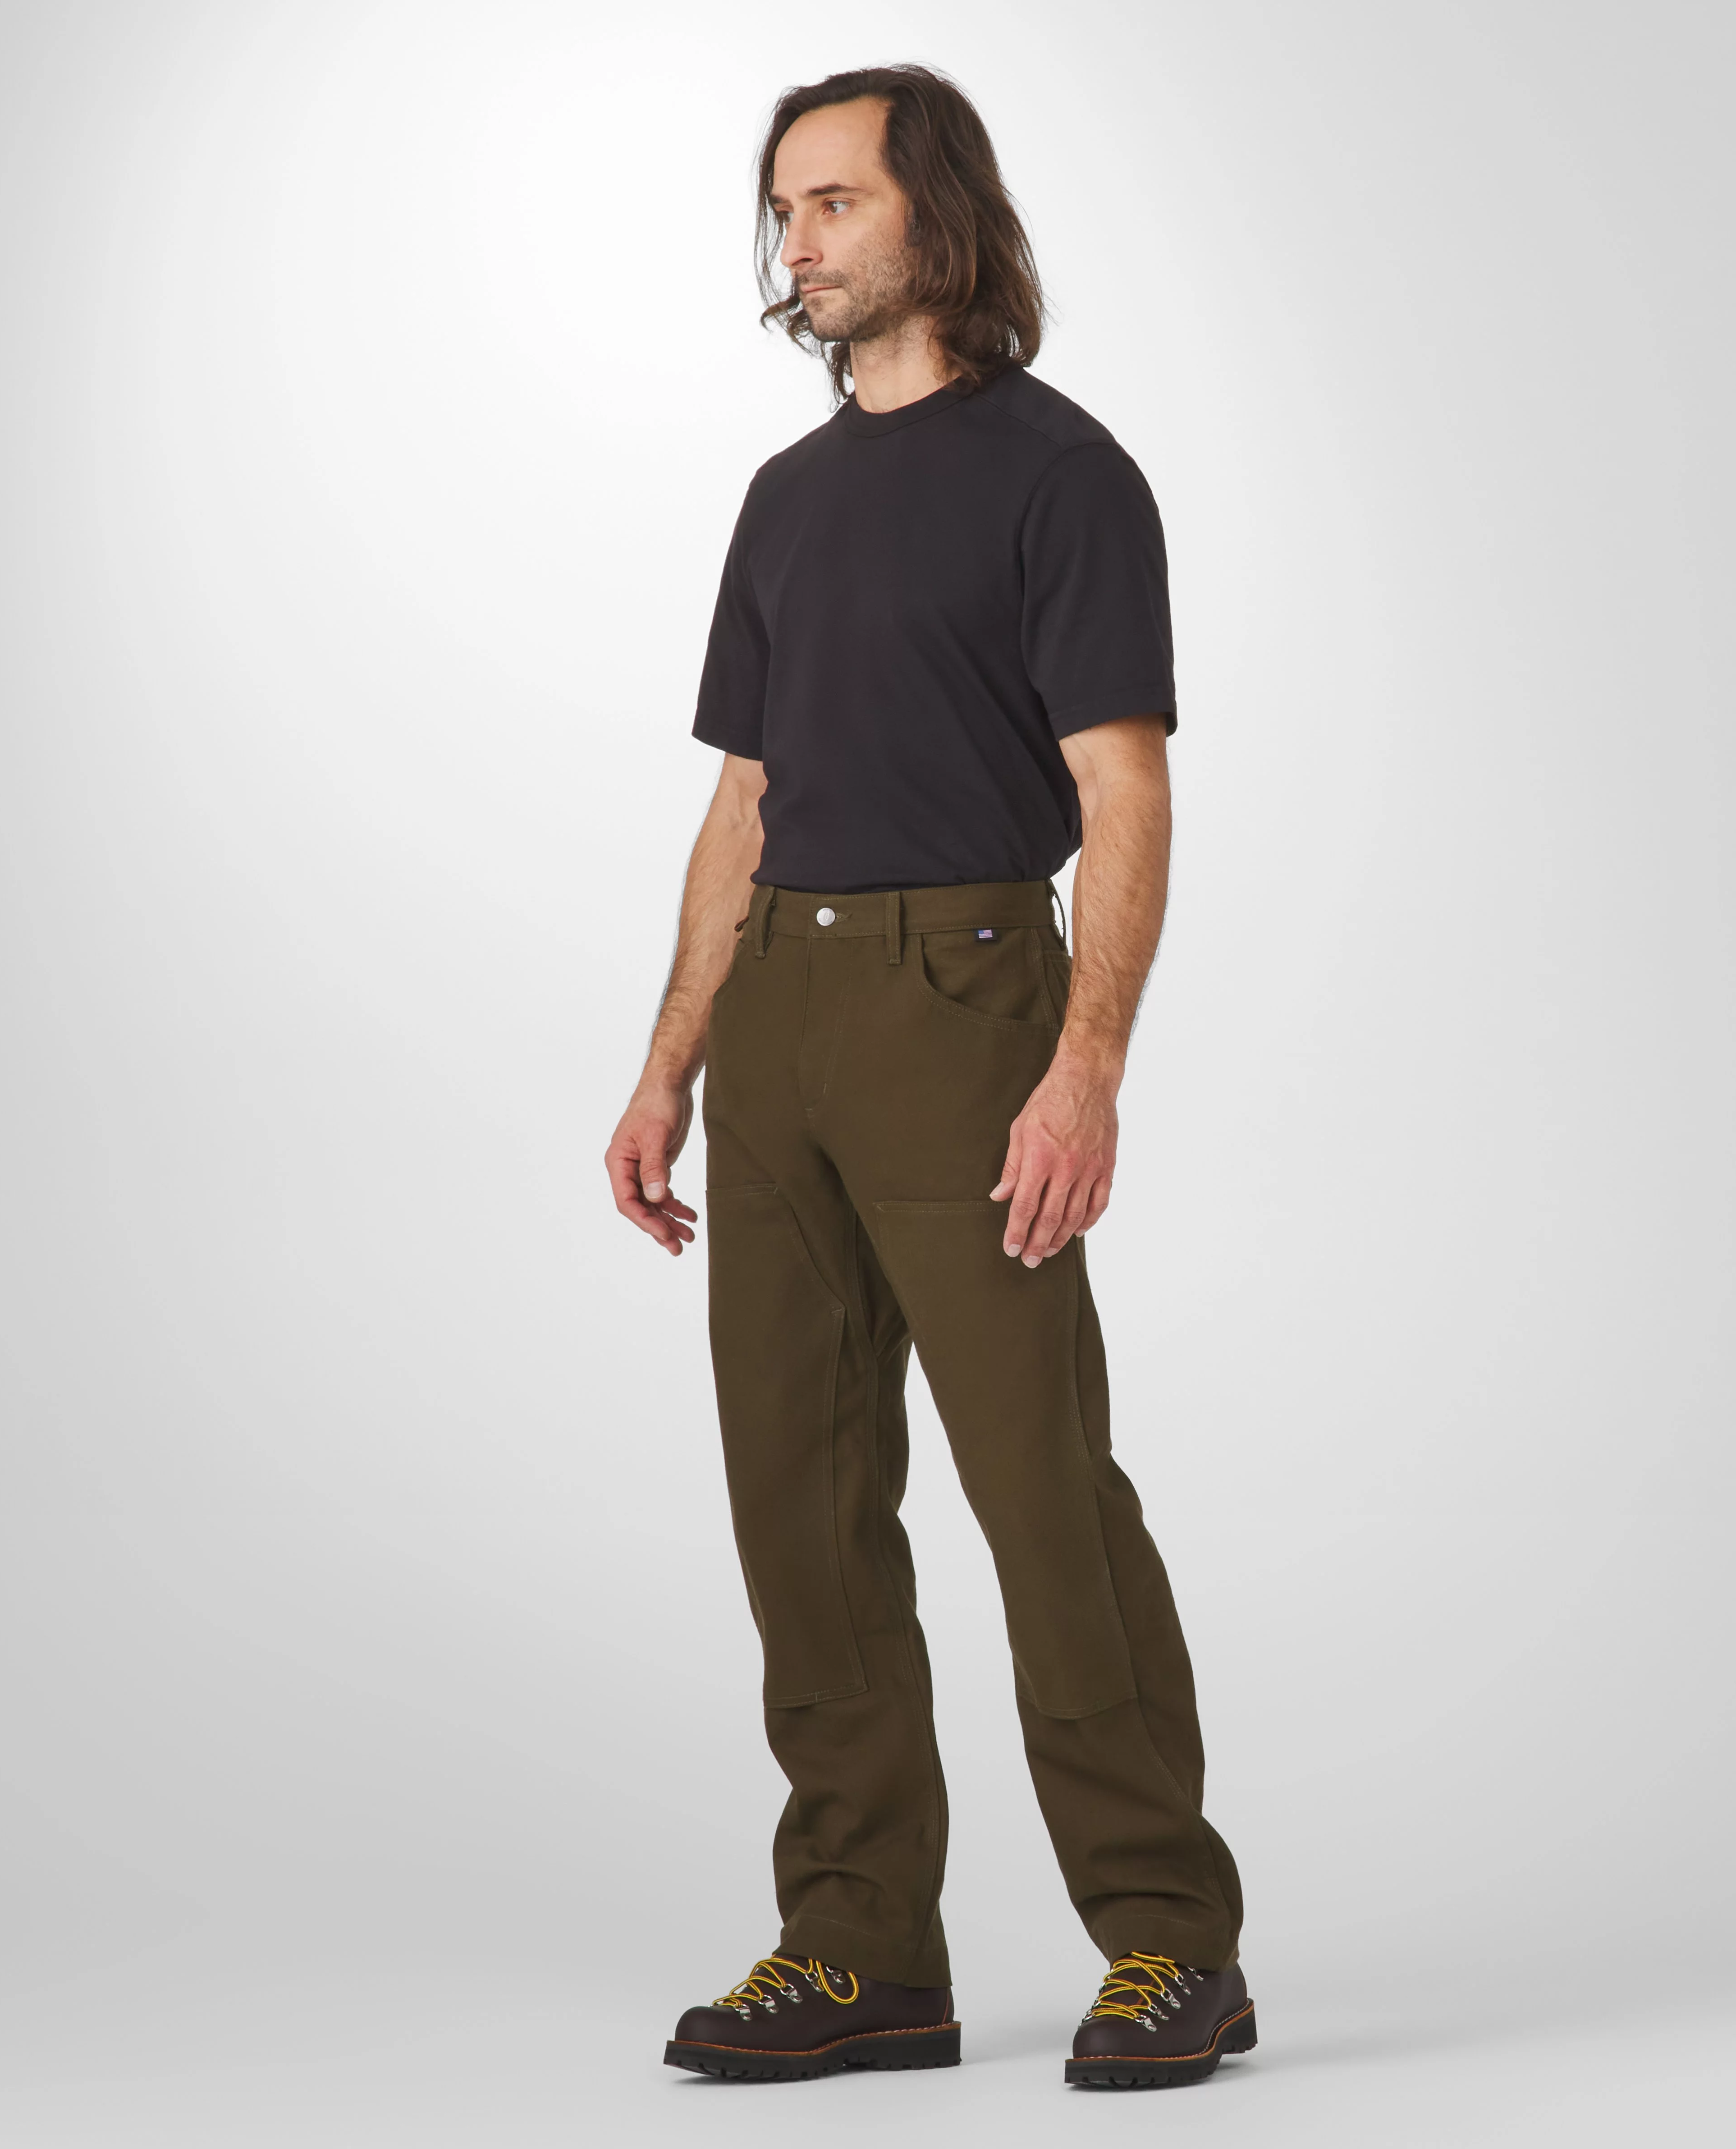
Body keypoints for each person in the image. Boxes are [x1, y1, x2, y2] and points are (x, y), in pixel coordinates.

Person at [604, 63, 1252, 2091]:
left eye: (835, 202)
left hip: (968, 1002)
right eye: (783, 208)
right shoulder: (785, 500)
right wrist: (669, 1066)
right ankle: (861, 1945)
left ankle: (1172, 1940)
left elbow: (1123, 790)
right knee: (798, 1501)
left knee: (1038, 1487)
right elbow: (745, 800)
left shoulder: (1064, 476)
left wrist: (1086, 1070)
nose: (796, 240)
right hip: (782, 1014)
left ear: (937, 217)